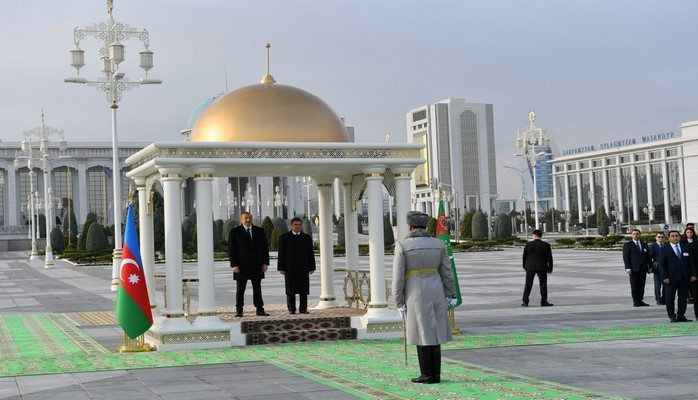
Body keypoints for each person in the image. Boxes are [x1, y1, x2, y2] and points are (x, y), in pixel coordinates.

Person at [392, 211, 456, 384]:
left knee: (422, 332)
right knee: (434, 332)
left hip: (415, 290)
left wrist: (397, 300)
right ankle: (436, 374)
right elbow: (447, 272)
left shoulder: (403, 245)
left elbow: (398, 276)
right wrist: (451, 293)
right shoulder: (438, 244)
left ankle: (427, 374)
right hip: (435, 287)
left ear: (410, 226)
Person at [228, 211, 270, 317]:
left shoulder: (259, 231)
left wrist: (265, 263)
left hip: (257, 265)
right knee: (240, 289)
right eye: (246, 218)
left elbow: (265, 248)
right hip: (241, 266)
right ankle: (239, 310)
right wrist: (234, 265)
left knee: (257, 288)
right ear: (241, 220)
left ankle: (260, 309)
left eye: (250, 218)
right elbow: (231, 250)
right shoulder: (235, 232)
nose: (248, 220)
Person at [277, 217, 316, 314]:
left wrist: (312, 267)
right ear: (291, 225)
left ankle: (303, 308)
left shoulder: (306, 237)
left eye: (299, 224)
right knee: (290, 289)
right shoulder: (284, 237)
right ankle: (291, 308)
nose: (298, 226)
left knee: (303, 288)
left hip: (303, 267)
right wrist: (281, 267)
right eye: (295, 224)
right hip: (289, 267)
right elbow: (281, 254)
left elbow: (310, 253)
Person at [658, 230, 697, 322]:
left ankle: (681, 315)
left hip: (684, 277)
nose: (675, 237)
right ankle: (672, 316)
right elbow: (662, 265)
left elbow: (690, 262)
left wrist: (693, 274)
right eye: (672, 236)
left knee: (683, 297)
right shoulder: (664, 249)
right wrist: (664, 277)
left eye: (676, 236)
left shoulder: (685, 248)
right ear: (669, 238)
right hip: (670, 278)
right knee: (670, 298)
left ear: (679, 237)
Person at [521, 229, 554, 307]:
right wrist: (550, 268)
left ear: (535, 235)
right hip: (542, 267)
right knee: (543, 284)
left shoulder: (528, 245)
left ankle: (525, 301)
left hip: (530, 267)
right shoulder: (546, 245)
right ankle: (543, 301)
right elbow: (550, 258)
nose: (532, 236)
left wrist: (524, 266)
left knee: (528, 284)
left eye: (532, 235)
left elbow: (524, 257)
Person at [622, 229, 650, 307]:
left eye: (637, 234)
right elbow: (626, 257)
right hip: (634, 268)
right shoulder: (628, 245)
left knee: (642, 284)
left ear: (640, 235)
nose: (635, 235)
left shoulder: (644, 244)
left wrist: (650, 266)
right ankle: (636, 300)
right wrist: (627, 267)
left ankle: (640, 299)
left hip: (643, 268)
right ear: (631, 235)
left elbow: (648, 256)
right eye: (634, 234)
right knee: (634, 285)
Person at [680, 226, 697, 305]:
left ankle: (693, 296)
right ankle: (688, 296)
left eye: (691, 232)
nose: (689, 234)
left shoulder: (695, 241)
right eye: (688, 232)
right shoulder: (682, 242)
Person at [648, 232, 666, 305]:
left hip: (666, 269)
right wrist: (651, 267)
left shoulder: (667, 246)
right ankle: (658, 298)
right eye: (659, 237)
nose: (660, 238)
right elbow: (649, 258)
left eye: (662, 237)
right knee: (657, 285)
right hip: (657, 269)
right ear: (656, 238)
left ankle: (664, 298)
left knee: (666, 284)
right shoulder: (653, 246)